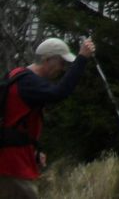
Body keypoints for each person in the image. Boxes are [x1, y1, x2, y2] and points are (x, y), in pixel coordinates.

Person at [0, 37, 96, 198]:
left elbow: (18, 121)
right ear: (47, 60)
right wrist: (82, 59)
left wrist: (35, 149)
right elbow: (59, 93)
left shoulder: (16, 75)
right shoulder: (29, 82)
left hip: (11, 160)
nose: (63, 68)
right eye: (61, 62)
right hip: (13, 166)